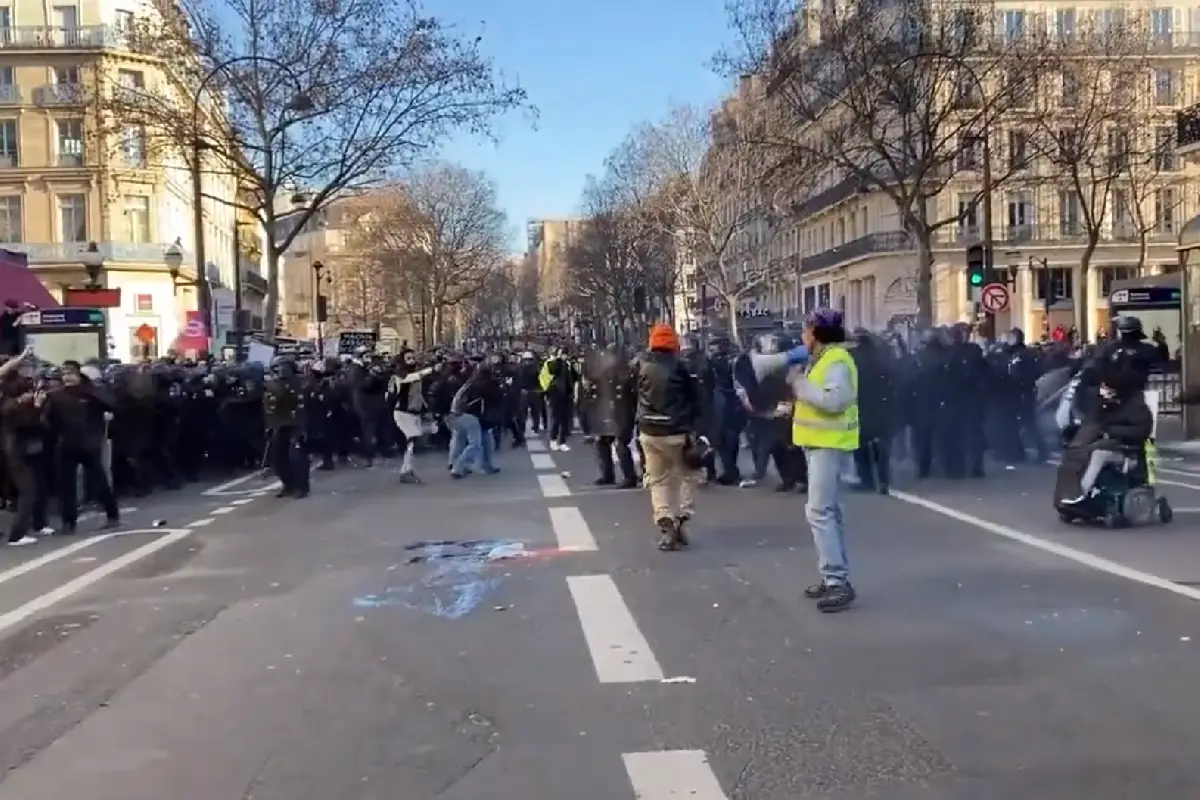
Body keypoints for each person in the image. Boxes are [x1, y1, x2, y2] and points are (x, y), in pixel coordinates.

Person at [789, 308, 859, 613]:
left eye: (805, 330)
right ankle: (833, 574)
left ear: (815, 334)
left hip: (828, 445)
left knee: (819, 512)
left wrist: (800, 386)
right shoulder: (823, 360)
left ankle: (837, 580)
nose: (802, 336)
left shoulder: (836, 361)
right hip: (820, 443)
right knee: (829, 512)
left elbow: (834, 400)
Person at [634, 324, 707, 551]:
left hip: (650, 432)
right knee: (688, 475)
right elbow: (696, 398)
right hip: (677, 432)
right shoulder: (681, 367)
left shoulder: (641, 366)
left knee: (657, 480)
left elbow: (633, 395)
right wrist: (698, 427)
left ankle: (666, 522)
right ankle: (682, 518)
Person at [1060, 362, 1153, 505]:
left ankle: (1082, 494)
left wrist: (1111, 430)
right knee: (1077, 454)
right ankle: (1070, 492)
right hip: (1109, 445)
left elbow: (1142, 431)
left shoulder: (1136, 407)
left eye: (1105, 387)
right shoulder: (1104, 403)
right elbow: (1092, 423)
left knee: (1098, 454)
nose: (1102, 390)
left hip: (1128, 452)